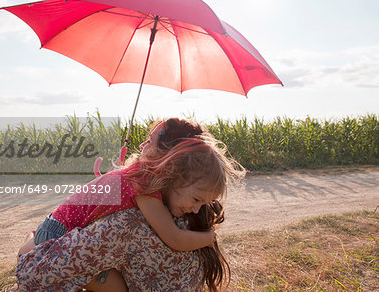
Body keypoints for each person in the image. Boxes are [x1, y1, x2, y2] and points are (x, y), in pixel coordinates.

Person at [15, 118, 245, 291]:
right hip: (58, 230)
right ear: (173, 172)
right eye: (197, 200)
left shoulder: (138, 181)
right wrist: (209, 238)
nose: (197, 209)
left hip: (61, 226)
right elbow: (173, 237)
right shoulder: (143, 189)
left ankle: (32, 240)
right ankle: (31, 241)